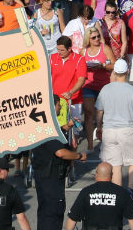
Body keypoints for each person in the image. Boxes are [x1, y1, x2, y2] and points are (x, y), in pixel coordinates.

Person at [32, 96, 87, 230]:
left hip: (44, 177)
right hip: (51, 179)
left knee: (45, 213)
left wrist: (66, 127)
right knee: (53, 214)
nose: (61, 107)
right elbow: (60, 152)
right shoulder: (47, 128)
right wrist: (79, 156)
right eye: (58, 105)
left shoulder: (43, 125)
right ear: (52, 106)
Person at [95, 59, 133, 188]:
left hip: (109, 130)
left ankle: (117, 193)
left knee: (115, 165)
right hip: (128, 130)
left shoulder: (105, 89)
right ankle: (130, 190)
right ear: (127, 72)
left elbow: (99, 111)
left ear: (114, 72)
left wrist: (99, 127)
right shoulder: (132, 90)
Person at [65, 162, 133, 230]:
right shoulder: (122, 192)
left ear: (96, 174)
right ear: (112, 175)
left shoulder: (86, 192)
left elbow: (72, 219)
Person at [81, 26, 115, 152]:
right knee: (89, 113)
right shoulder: (83, 51)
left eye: (98, 36)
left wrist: (102, 66)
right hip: (88, 84)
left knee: (105, 115)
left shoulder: (104, 48)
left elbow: (114, 64)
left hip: (103, 85)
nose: (97, 39)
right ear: (88, 39)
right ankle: (90, 145)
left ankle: (106, 142)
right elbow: (79, 67)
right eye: (93, 37)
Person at [50, 36, 88, 112]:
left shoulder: (79, 59)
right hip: (55, 102)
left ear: (69, 49)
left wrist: (71, 92)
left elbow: (81, 79)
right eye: (58, 49)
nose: (59, 52)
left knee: (73, 124)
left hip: (74, 101)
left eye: (62, 50)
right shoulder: (51, 58)